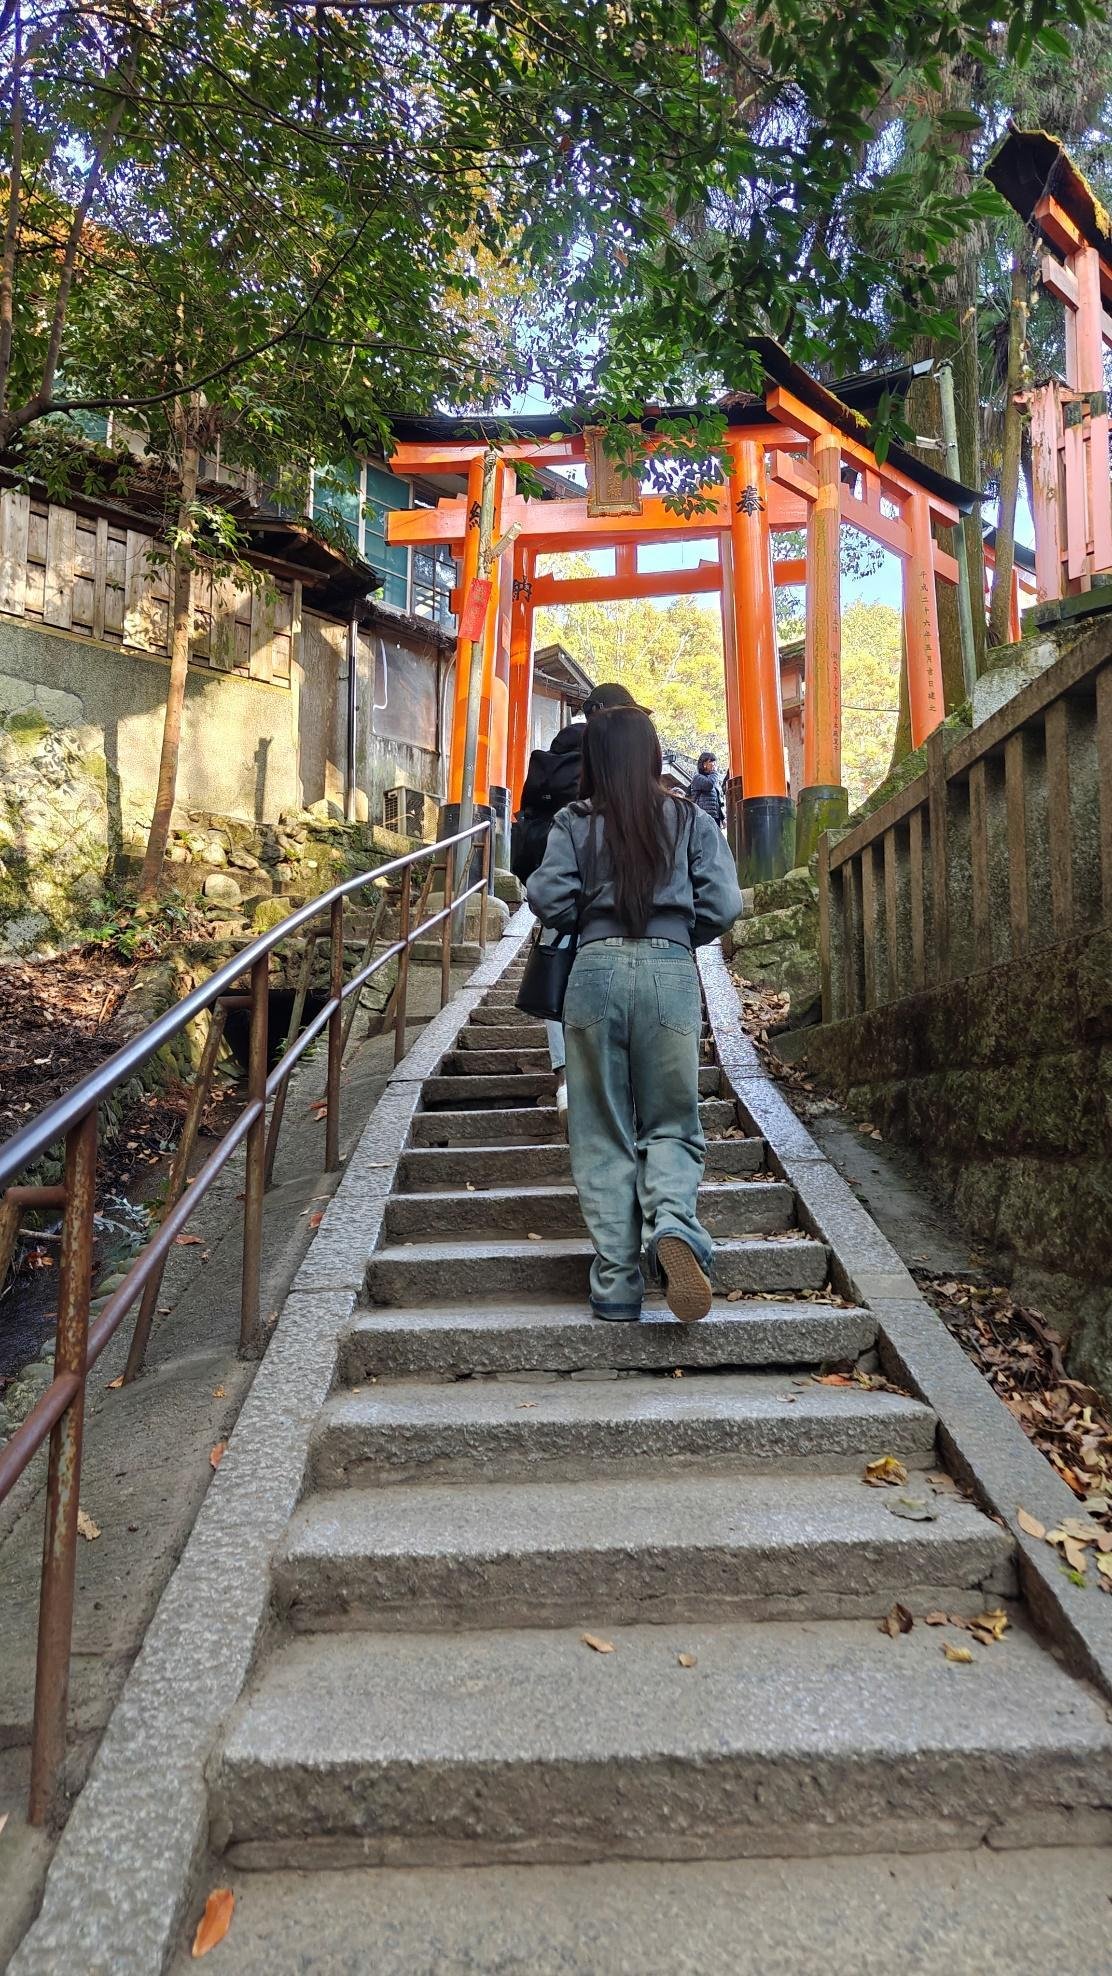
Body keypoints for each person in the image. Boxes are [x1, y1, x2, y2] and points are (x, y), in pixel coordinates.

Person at [527, 706, 743, 1324]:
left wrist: (587, 919)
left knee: (601, 1129)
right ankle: (673, 1226)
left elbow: (546, 896)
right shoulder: (689, 817)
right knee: (672, 1121)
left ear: (592, 761)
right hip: (671, 973)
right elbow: (724, 903)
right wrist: (678, 932)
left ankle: (618, 1282)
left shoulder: (574, 821)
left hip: (594, 972)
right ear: (652, 757)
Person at [511, 682, 637, 1114]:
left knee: (558, 970)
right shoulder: (608, 751)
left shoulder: (552, 753)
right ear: (603, 712)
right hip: (604, 892)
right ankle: (613, 1082)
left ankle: (565, 1079)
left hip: (558, 886)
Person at [688, 751, 724, 828]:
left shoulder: (711, 778)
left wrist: (722, 817)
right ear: (704, 764)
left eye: (714, 762)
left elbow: (716, 801)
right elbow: (709, 785)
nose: (714, 764)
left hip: (714, 817)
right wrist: (714, 772)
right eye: (711, 761)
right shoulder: (697, 778)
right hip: (703, 816)